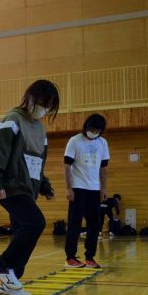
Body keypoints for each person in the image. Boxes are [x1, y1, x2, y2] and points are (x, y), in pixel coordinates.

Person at [0, 80, 59, 295]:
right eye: (43, 102)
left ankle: (11, 280)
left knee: (23, 230)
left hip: (29, 188)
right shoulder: (12, 120)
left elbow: (37, 162)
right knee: (35, 223)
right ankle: (3, 265)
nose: (44, 108)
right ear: (30, 97)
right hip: (10, 186)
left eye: (49, 105)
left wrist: (45, 186)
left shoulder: (40, 129)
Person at [64, 113, 110, 268]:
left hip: (94, 189)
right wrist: (68, 187)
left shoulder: (103, 143)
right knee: (74, 223)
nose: (93, 132)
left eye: (97, 130)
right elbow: (66, 166)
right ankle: (70, 257)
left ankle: (89, 257)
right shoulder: (75, 141)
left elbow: (104, 167)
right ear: (85, 127)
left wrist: (103, 188)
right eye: (91, 129)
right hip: (78, 188)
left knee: (94, 225)